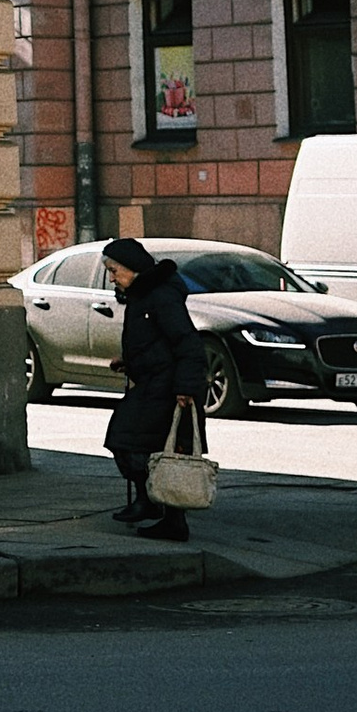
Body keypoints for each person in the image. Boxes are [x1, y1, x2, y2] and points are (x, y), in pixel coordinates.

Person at [100, 232, 210, 543]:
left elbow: (187, 343)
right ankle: (153, 504)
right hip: (154, 383)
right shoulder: (143, 295)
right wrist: (130, 362)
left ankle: (166, 514)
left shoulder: (160, 297)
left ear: (132, 268)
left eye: (114, 271)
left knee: (152, 447)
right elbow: (154, 342)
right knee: (144, 445)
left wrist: (185, 388)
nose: (112, 279)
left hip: (169, 388)